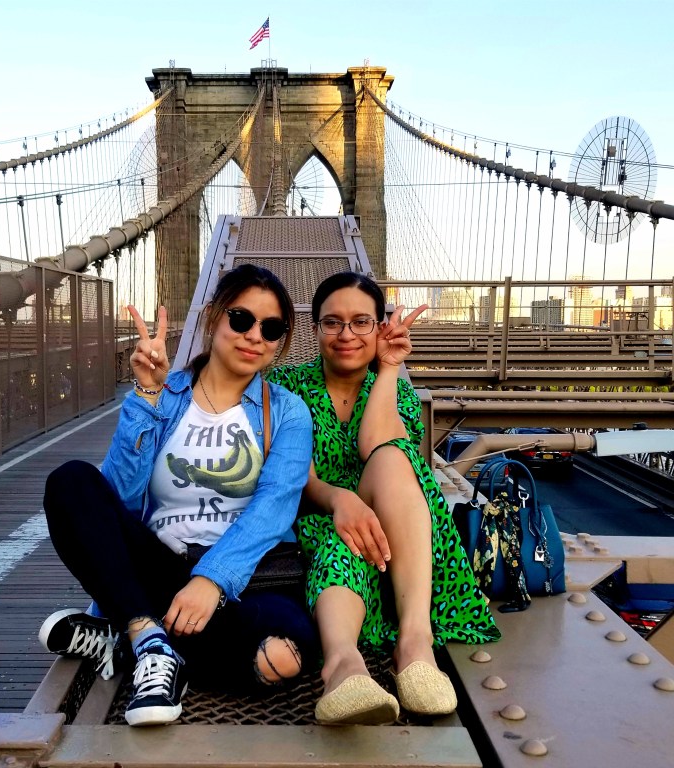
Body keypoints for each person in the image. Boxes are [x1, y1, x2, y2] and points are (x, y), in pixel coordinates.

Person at [38, 264, 317, 726]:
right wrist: (146, 396)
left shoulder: (286, 411)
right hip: (160, 567)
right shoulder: (167, 396)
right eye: (242, 319)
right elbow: (120, 498)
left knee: (281, 658)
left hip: (248, 579)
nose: (254, 336)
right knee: (70, 482)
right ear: (213, 318)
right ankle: (148, 638)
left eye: (271, 329)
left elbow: (274, 508)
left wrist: (211, 580)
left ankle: (127, 638)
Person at [267, 272, 500, 725]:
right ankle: (343, 666)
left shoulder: (396, 390)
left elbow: (374, 445)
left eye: (361, 323)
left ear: (379, 328)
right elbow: (298, 476)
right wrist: (341, 502)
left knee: (393, 457)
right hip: (321, 518)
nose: (346, 335)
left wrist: (390, 367)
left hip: (401, 534)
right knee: (342, 544)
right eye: (332, 323)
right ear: (315, 329)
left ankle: (414, 641)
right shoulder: (287, 386)